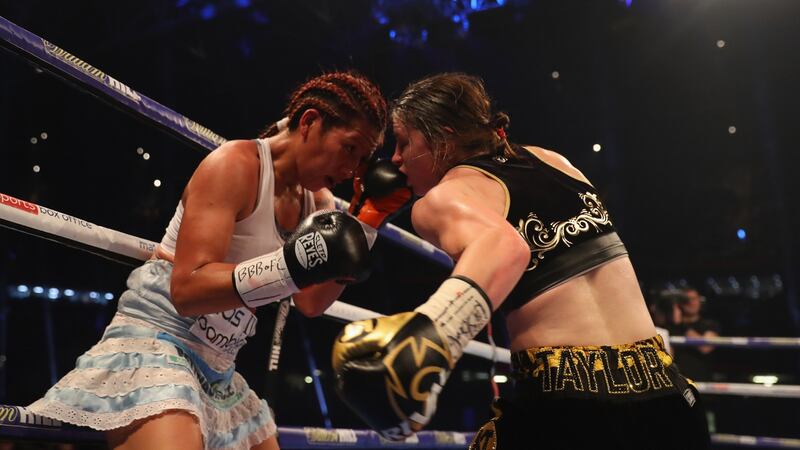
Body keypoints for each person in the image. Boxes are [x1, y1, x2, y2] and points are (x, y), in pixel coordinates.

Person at [332, 73, 710, 449]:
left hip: (570, 404)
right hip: (667, 394)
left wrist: (431, 338)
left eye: (404, 142)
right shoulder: (556, 162)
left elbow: (507, 246)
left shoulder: (442, 198)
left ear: (441, 136)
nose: (395, 159)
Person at [27, 71, 388, 450]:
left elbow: (311, 302)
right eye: (349, 149)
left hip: (219, 369)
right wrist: (289, 265)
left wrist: (368, 221)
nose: (352, 171)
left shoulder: (319, 203)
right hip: (157, 341)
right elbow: (188, 289)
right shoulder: (236, 164)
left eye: (362, 159)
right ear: (310, 122)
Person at [672, 287, 721, 381]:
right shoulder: (671, 326)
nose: (690, 302)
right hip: (677, 383)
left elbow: (705, 348)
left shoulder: (709, 324)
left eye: (694, 299)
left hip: (701, 383)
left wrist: (681, 325)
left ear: (700, 301)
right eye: (686, 299)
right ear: (680, 303)